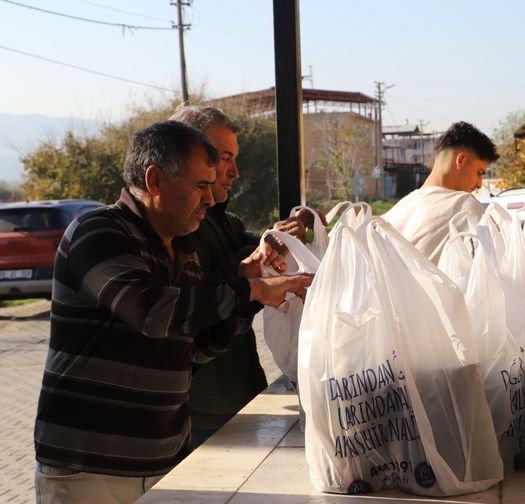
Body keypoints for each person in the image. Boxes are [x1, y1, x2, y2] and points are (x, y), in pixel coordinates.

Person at [33, 120, 312, 504]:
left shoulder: (184, 252)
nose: (211, 200)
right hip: (89, 471)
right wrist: (252, 288)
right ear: (155, 180)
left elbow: (195, 348)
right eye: (200, 186)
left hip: (165, 464)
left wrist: (250, 295)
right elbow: (152, 313)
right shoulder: (97, 234)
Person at [168, 105, 320, 446]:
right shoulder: (174, 232)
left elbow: (263, 259)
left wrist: (289, 238)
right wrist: (252, 268)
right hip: (201, 412)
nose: (234, 171)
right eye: (222, 157)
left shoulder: (227, 223)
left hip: (241, 397)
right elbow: (197, 301)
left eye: (233, 158)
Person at [382, 121, 499, 263]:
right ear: (461, 160)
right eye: (479, 173)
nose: (480, 184)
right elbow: (500, 261)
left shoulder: (397, 210)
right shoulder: (464, 206)